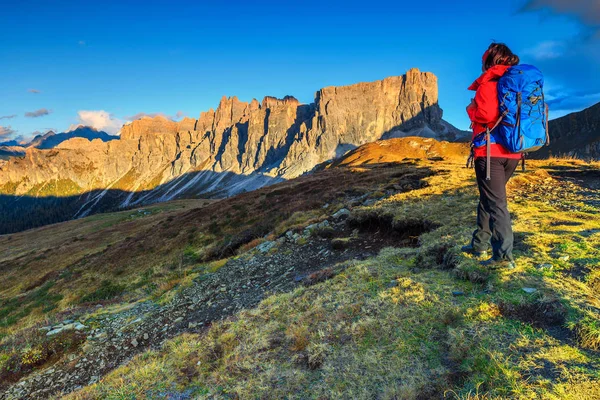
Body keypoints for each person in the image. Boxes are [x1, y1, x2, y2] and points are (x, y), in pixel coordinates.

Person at [463, 43, 523, 269]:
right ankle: (479, 244)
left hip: (490, 153)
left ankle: (503, 257)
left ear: (489, 60)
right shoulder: (516, 82)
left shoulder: (489, 81)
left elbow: (486, 114)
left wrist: (471, 109)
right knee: (489, 197)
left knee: (496, 203)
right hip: (513, 153)